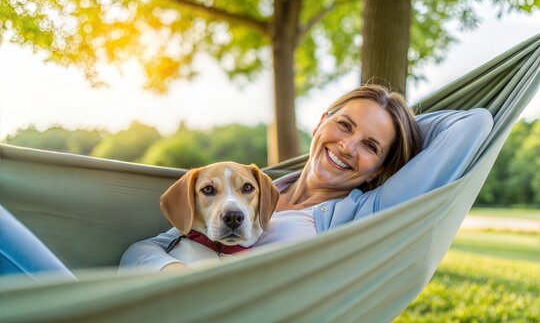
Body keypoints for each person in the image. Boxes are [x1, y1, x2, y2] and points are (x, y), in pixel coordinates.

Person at [119, 85, 492, 272]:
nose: (347, 146)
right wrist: (172, 273)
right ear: (319, 123)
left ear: (380, 169)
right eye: (343, 125)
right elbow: (139, 251)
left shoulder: (363, 211)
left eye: (371, 146)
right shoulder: (254, 188)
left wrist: (398, 120)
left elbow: (473, 125)